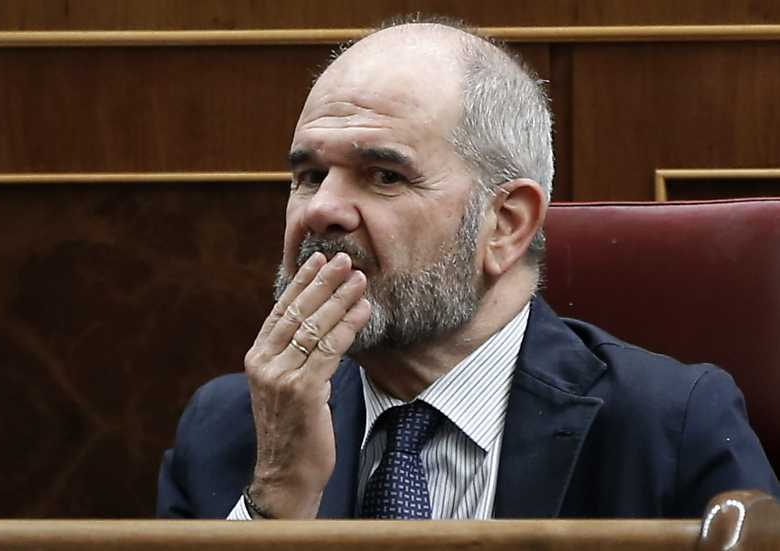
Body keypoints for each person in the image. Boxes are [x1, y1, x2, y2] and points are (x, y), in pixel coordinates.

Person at [156, 18, 780, 519]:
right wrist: (275, 502)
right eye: (310, 175)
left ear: (505, 224)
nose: (321, 209)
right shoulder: (234, 429)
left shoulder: (669, 427)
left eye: (384, 175)